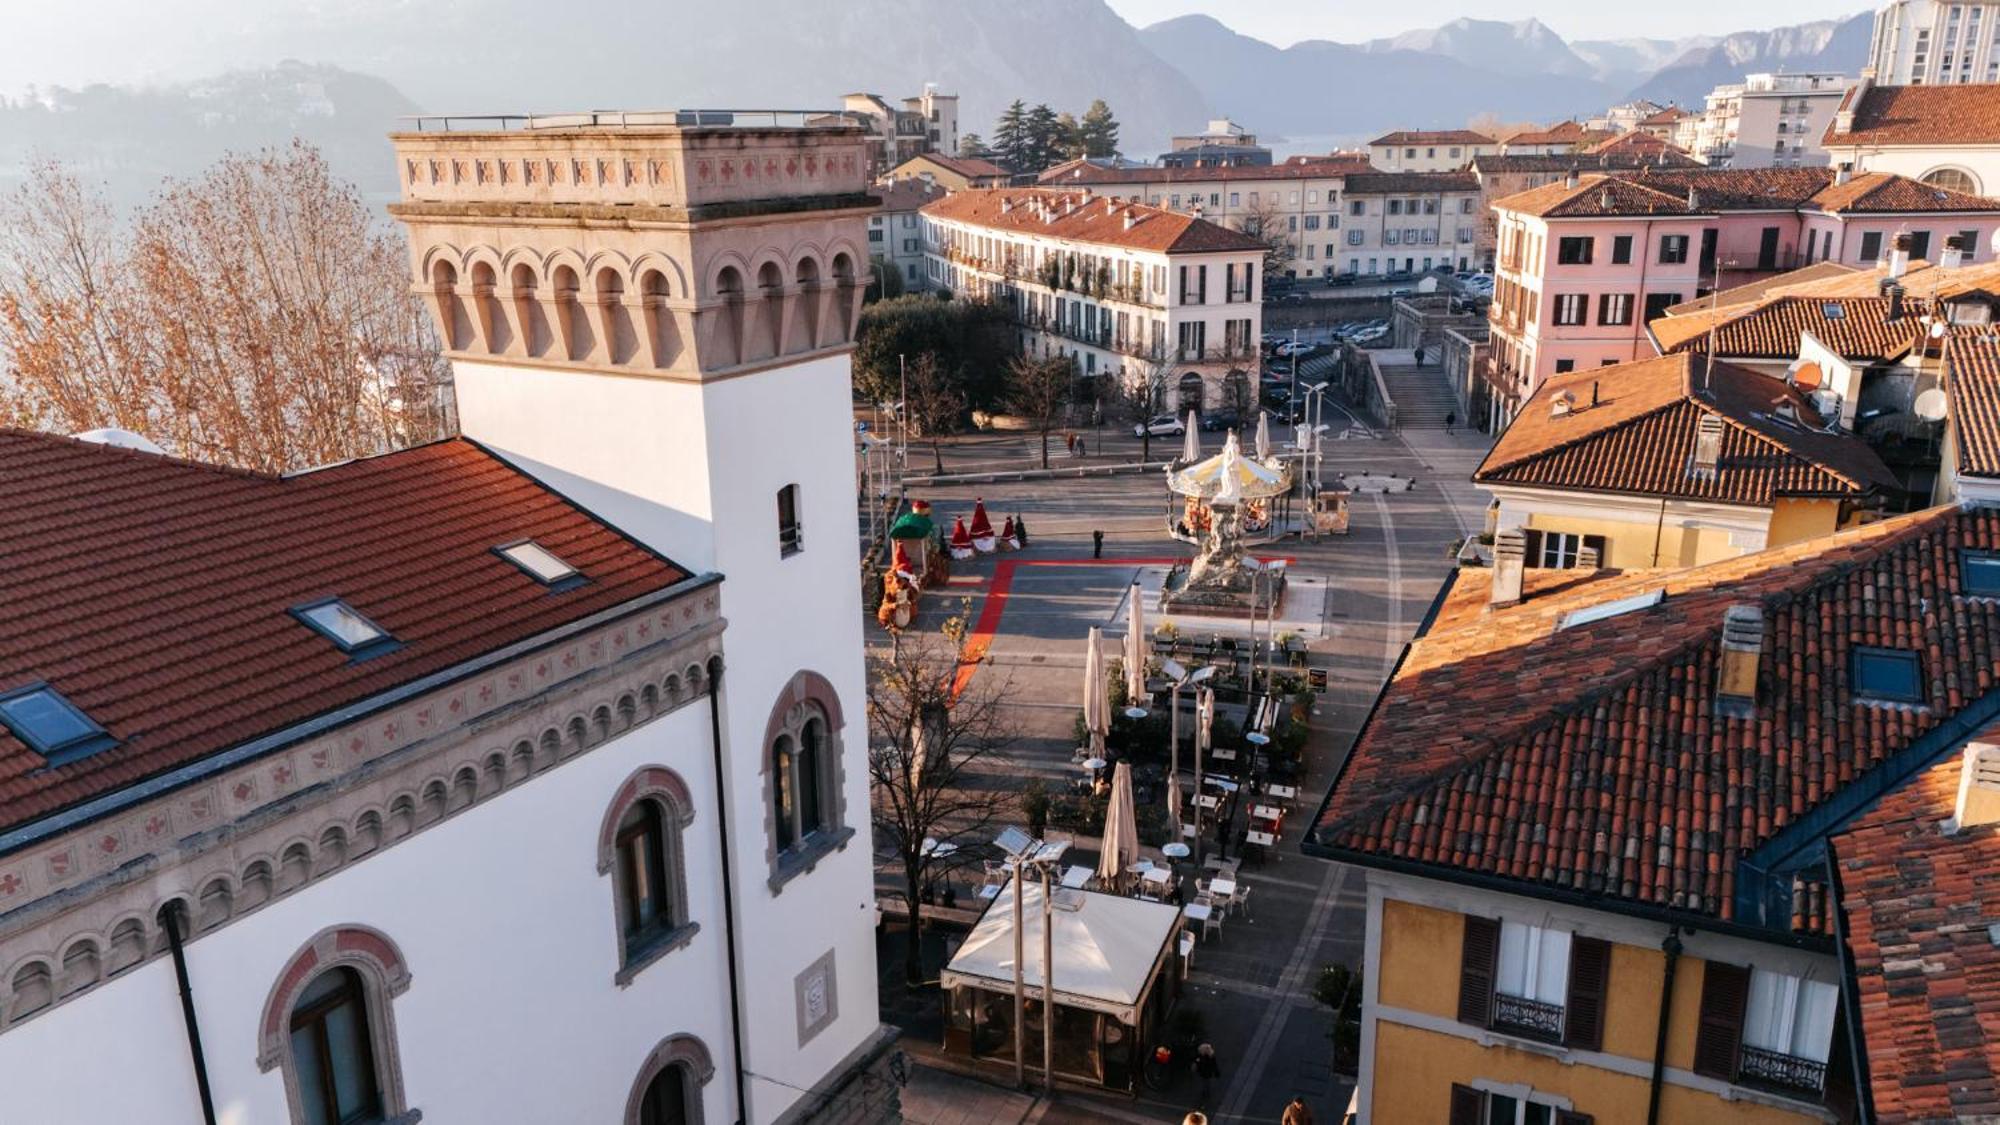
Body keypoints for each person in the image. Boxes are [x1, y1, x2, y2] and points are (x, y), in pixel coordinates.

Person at [1194, 1042, 1221, 1108]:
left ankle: (1206, 1092)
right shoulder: (1208, 1057)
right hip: (1205, 1072)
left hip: (1205, 1072)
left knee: (1205, 1082)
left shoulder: (1205, 1057)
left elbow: (1213, 1065)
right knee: (1205, 1082)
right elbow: (1214, 1065)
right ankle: (1206, 1091)